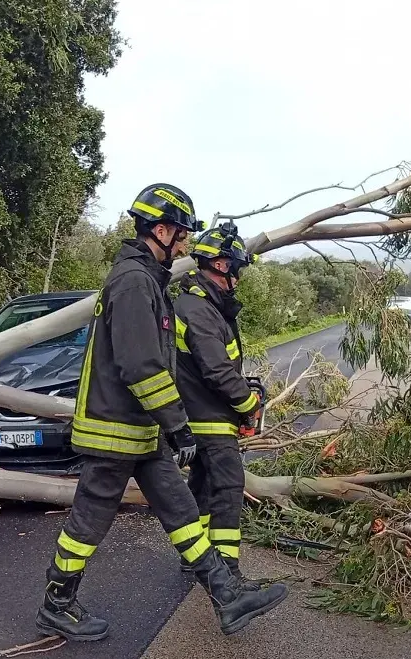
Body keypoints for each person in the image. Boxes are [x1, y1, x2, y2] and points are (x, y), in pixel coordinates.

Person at [35, 184, 289, 642]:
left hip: (139, 430)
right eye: (183, 236)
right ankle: (57, 602)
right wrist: (179, 425)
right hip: (116, 429)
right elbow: (141, 366)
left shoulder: (147, 280)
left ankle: (226, 597)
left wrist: (167, 426)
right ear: (162, 229)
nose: (186, 245)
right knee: (90, 520)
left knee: (183, 509)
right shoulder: (134, 282)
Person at [171, 222, 273, 593]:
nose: (239, 279)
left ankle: (195, 558)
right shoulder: (198, 310)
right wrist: (248, 405)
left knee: (201, 486)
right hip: (209, 419)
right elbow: (215, 370)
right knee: (229, 488)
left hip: (198, 415)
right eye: (237, 269)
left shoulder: (202, 306)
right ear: (221, 266)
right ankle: (227, 572)